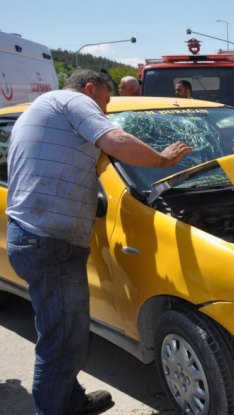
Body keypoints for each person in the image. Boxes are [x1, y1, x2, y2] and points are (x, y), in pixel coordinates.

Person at [5, 69, 192, 415]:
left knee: (59, 329)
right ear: (90, 89)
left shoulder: (41, 108)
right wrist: (162, 160)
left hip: (29, 236)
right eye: (105, 102)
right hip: (50, 242)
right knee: (61, 341)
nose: (104, 111)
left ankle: (70, 400)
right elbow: (116, 142)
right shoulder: (75, 101)